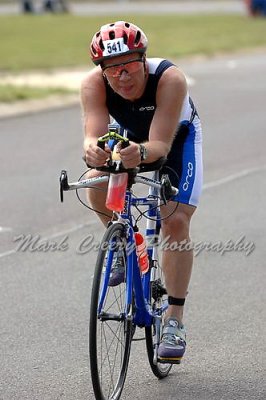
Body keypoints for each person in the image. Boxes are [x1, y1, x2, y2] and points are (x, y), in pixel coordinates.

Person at [81, 21, 203, 364]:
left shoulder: (169, 78)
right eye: (113, 69)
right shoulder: (93, 84)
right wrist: (93, 150)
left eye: (131, 65)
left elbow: (161, 145)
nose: (123, 76)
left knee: (175, 220)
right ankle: (119, 241)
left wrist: (142, 154)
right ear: (102, 72)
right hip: (130, 136)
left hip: (176, 139)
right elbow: (92, 134)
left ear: (144, 60)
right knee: (95, 178)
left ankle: (174, 320)